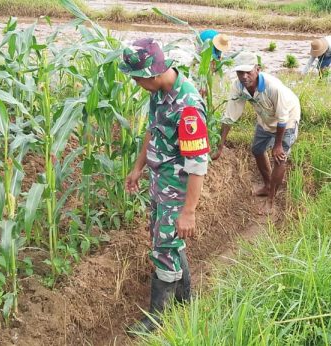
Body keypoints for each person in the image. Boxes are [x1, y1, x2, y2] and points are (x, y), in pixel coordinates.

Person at [120, 38, 210, 335]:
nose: (135, 82)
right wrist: (137, 168)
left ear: (153, 73)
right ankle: (186, 300)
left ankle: (157, 318)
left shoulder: (188, 107)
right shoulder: (159, 93)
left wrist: (189, 212)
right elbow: (153, 130)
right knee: (168, 241)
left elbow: (197, 165)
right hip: (161, 181)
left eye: (137, 77)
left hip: (178, 189)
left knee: (163, 248)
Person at [212, 52, 301, 215]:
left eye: (248, 72)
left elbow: (283, 117)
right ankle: (267, 186)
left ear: (257, 69)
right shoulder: (238, 86)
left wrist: (278, 145)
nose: (244, 77)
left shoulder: (273, 87)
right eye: (240, 73)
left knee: (279, 157)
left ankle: (271, 200)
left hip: (287, 119)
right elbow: (230, 115)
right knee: (257, 150)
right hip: (266, 117)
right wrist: (220, 145)